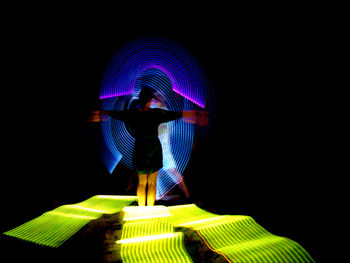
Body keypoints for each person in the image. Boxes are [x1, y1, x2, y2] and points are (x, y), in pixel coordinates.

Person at [89, 87, 208, 206]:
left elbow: (118, 114)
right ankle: (149, 210)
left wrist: (101, 114)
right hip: (153, 151)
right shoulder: (156, 114)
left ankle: (142, 210)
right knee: (152, 184)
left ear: (140, 100)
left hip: (140, 151)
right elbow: (176, 114)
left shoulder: (134, 115)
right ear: (150, 100)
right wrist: (196, 115)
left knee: (141, 183)